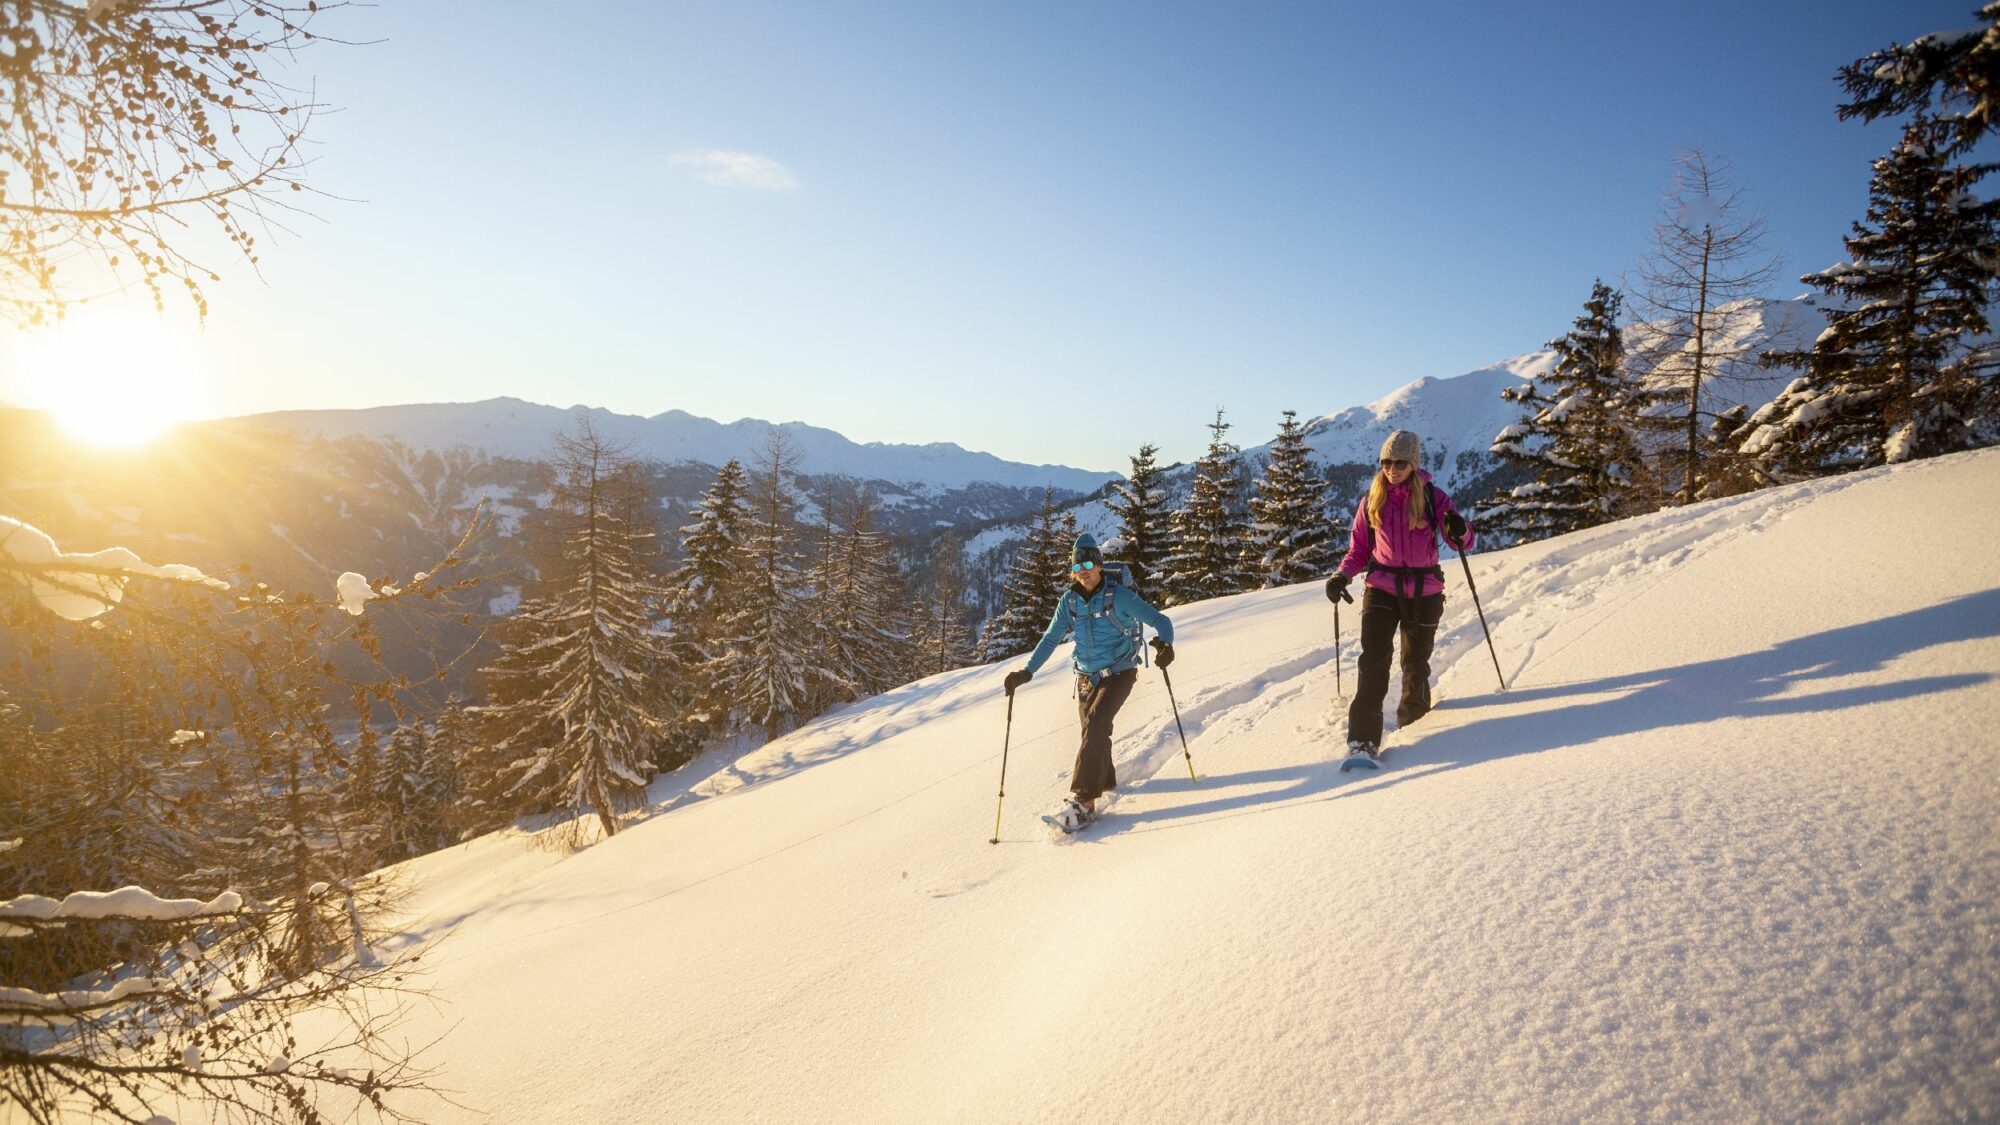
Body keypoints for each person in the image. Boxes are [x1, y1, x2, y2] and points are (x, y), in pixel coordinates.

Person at [1002, 532, 1175, 830]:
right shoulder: (1069, 601)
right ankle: (1105, 783)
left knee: (1094, 725)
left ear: (1098, 564)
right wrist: (1026, 672)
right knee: (1094, 732)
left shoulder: (1118, 595)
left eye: (1087, 563)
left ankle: (1083, 802)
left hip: (1120, 672)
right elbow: (1050, 638)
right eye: (1076, 565)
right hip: (1085, 677)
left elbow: (1161, 620)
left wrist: (1165, 644)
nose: (1082, 570)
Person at [1323, 429, 1475, 762]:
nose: (1392, 468)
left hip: (1425, 591)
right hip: (1381, 588)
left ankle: (1416, 733)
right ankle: (1362, 743)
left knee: (1415, 664)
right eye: (1387, 461)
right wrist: (1341, 575)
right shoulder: (1372, 500)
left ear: (1413, 463)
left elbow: (1461, 541)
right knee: (1373, 662)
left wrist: (1459, 529)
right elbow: (1359, 549)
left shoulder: (1433, 498)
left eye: (1400, 462)